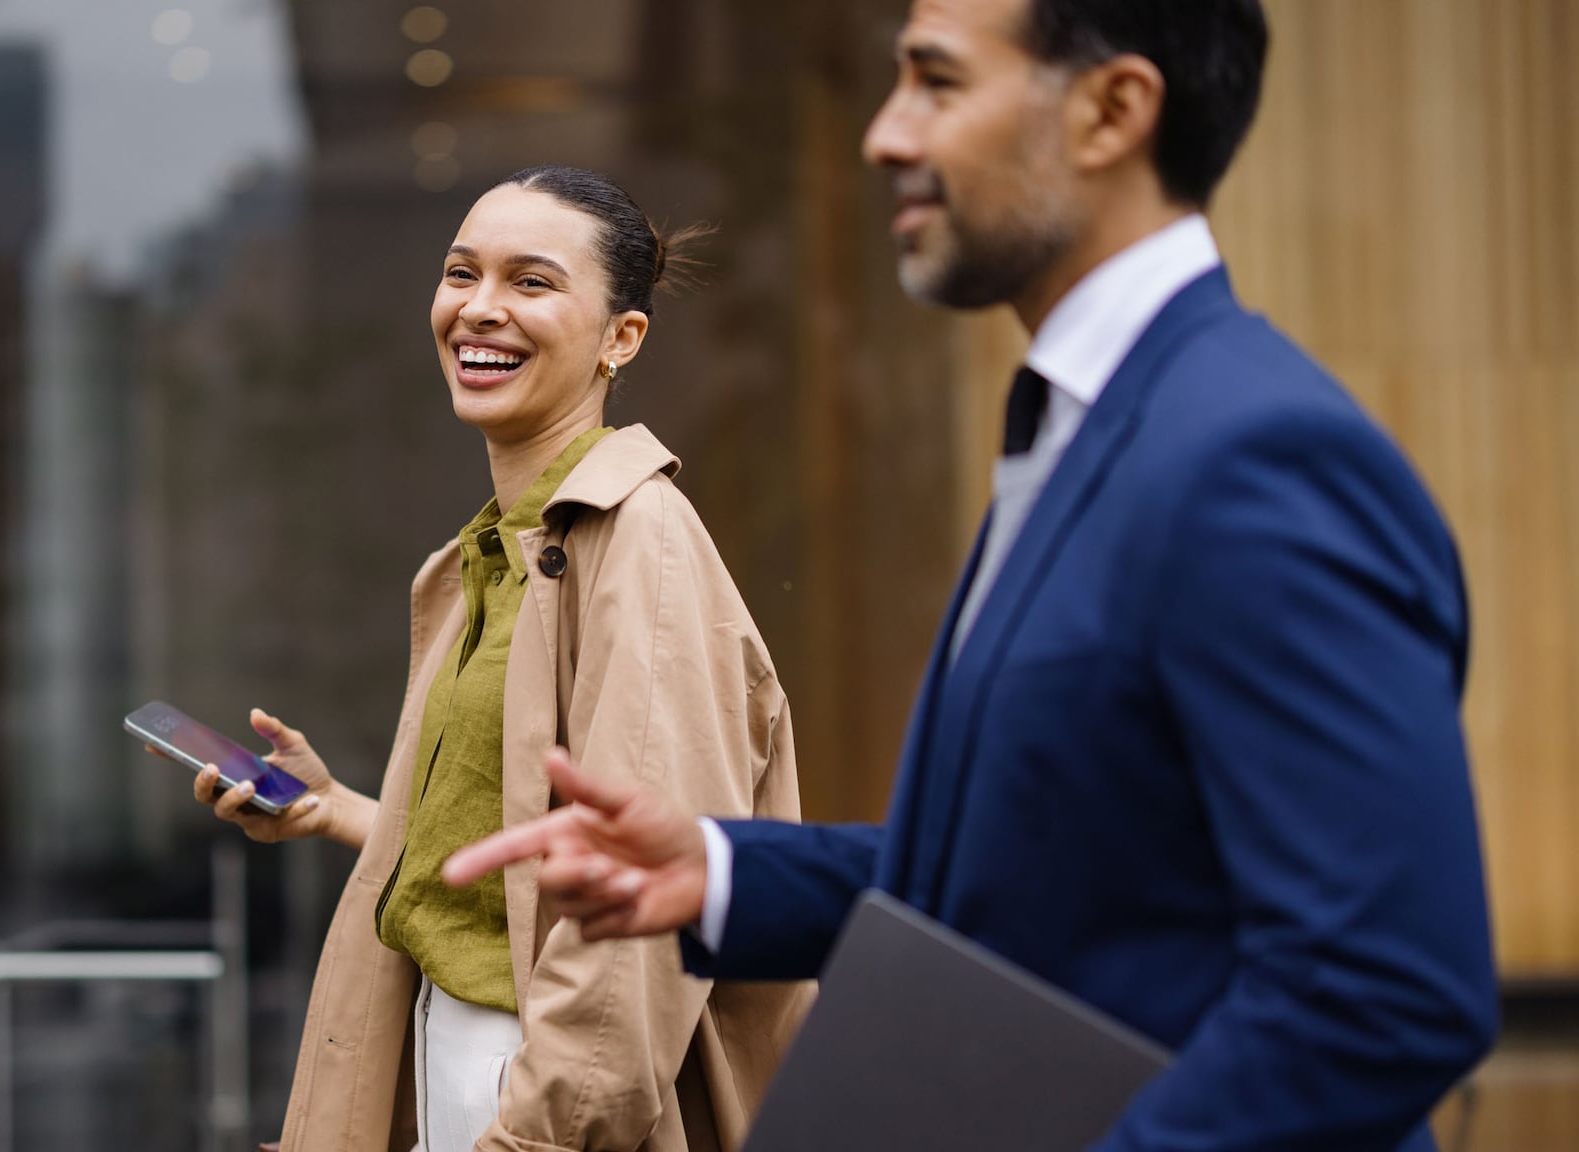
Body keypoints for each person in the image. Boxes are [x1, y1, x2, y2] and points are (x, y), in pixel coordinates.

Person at [445, 3, 1500, 1150]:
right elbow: (1060, 878)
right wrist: (723, 871)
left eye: (935, 83)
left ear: (1110, 112)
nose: (883, 135)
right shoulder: (1091, 433)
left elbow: (1383, 995)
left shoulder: (1255, 456)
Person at [185, 166, 812, 1152]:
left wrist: (532, 1137)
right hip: (458, 1056)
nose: (478, 309)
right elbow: (519, 827)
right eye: (459, 273)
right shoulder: (492, 553)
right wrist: (341, 808)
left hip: (542, 1088)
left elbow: (635, 920)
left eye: (531, 282)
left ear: (621, 338)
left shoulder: (635, 540)